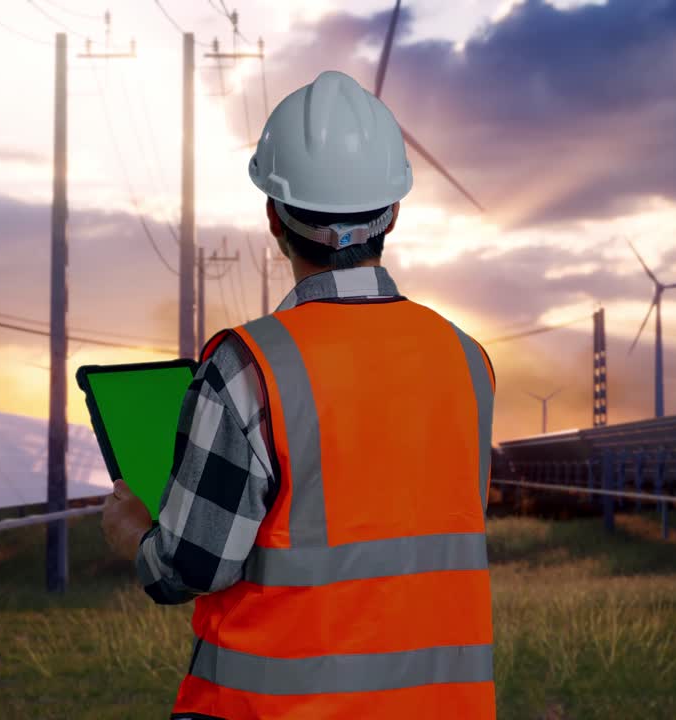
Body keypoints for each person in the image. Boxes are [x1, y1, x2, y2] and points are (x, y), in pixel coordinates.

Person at [101, 69, 496, 719]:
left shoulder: (245, 368)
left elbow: (190, 566)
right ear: (393, 211)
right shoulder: (468, 361)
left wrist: (136, 531)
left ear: (272, 218)